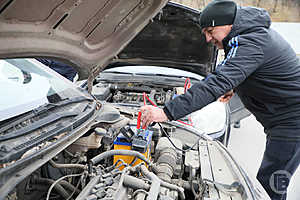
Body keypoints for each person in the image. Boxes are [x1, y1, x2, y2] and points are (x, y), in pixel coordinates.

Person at [140, 0, 300, 199]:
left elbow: (216, 82)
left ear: (228, 24)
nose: (207, 39)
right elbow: (238, 69)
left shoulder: (251, 41)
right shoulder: (247, 36)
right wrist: (235, 85)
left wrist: (166, 112)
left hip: (292, 124)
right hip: (284, 121)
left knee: (271, 186)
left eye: (210, 30)